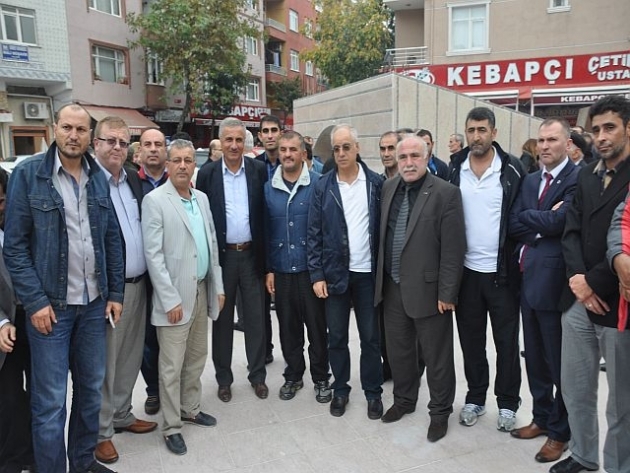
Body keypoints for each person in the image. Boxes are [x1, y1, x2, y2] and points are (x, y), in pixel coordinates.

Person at [3, 103, 124, 473]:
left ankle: (83, 463)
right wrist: (35, 302)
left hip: (93, 306)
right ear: (53, 128)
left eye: (81, 129)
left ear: (90, 135)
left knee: (90, 393)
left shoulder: (98, 176)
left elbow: (111, 238)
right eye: (67, 127)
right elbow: (14, 247)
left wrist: (115, 293)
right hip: (50, 311)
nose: (74, 135)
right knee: (50, 402)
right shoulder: (28, 175)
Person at [552, 95, 630, 473]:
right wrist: (578, 282)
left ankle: (618, 466)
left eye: (609, 127)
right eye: (596, 129)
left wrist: (593, 283)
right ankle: (583, 456)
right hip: (578, 301)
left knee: (621, 404)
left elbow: (623, 239)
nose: (601, 136)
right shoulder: (587, 174)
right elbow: (571, 231)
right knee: (576, 388)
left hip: (618, 305)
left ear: (628, 129)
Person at [375, 135, 466, 442]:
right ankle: (404, 400)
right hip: (392, 287)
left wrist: (447, 292)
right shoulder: (388, 188)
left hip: (430, 291)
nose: (409, 162)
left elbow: (453, 248)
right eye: (403, 157)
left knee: (437, 357)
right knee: (399, 351)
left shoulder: (446, 193)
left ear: (427, 157)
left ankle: (439, 413)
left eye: (415, 156)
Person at [142, 139, 225, 455]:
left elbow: (212, 244)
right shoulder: (155, 200)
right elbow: (153, 255)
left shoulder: (201, 198)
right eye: (176, 160)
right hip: (174, 298)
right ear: (167, 164)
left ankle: (190, 408)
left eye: (188, 160)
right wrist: (169, 299)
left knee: (196, 357)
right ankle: (171, 426)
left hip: (201, 289)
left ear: (194, 165)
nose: (182, 165)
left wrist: (217, 287)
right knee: (171, 367)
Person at [448, 106, 525, 432]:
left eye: (482, 130)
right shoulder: (455, 168)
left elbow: (522, 218)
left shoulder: (513, 169)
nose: (476, 136)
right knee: (471, 341)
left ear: (494, 133)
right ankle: (476, 397)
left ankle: (507, 403)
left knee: (506, 342)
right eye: (471, 130)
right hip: (466, 274)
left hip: (502, 274)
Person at [508, 118, 579, 464]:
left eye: (552, 139)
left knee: (557, 362)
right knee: (534, 357)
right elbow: (513, 222)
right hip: (527, 281)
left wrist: (535, 219)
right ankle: (541, 416)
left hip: (555, 285)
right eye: (541, 140)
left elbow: (561, 222)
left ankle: (560, 432)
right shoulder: (531, 179)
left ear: (568, 144)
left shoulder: (577, 178)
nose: (545, 146)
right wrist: (542, 220)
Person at [307, 124, 384, 419]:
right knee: (337, 337)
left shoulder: (375, 183)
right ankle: (340, 390)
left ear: (357, 148)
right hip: (335, 273)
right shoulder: (322, 186)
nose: (341, 153)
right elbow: (313, 232)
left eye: (346, 147)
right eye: (336, 148)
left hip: (367, 275)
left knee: (370, 338)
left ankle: (373, 393)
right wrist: (317, 275)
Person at [91, 117, 157, 465]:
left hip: (139, 285)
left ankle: (121, 414)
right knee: (106, 362)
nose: (117, 147)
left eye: (122, 142)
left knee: (131, 356)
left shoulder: (132, 179)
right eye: (110, 141)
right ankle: (101, 433)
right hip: (109, 293)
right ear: (96, 144)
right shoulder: (88, 182)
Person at [196, 117, 269, 403]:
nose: (234, 145)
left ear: (245, 143)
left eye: (239, 140)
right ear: (220, 142)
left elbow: (264, 214)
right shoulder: (208, 174)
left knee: (255, 319)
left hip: (251, 256)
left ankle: (258, 376)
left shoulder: (258, 170)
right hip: (223, 259)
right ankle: (224, 380)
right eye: (229, 140)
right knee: (223, 321)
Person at [264, 131, 331, 402]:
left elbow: (327, 228)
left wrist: (322, 271)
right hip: (282, 270)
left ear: (303, 153)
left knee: (317, 329)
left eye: (293, 149)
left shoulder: (319, 183)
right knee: (288, 330)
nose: (288, 154)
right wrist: (269, 268)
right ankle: (293, 375)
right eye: (283, 150)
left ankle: (321, 377)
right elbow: (267, 231)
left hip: (311, 271)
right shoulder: (268, 187)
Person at [0, 167, 35, 473]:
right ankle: (12, 460)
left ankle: (36, 456)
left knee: (41, 395)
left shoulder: (27, 223)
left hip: (36, 319)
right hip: (4, 327)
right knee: (10, 397)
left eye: (2, 201)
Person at [137, 128, 169, 416]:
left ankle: (176, 388)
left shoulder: (179, 179)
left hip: (173, 271)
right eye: (148, 144)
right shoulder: (130, 183)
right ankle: (153, 390)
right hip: (143, 274)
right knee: (148, 337)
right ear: (140, 151)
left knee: (173, 333)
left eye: (158, 144)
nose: (153, 148)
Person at [256, 115, 283, 363]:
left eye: (274, 130)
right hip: (262, 241)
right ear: (260, 136)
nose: (270, 135)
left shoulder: (291, 162)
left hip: (286, 239)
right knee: (261, 303)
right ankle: (265, 350)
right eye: (266, 131)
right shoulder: (254, 166)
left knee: (288, 305)